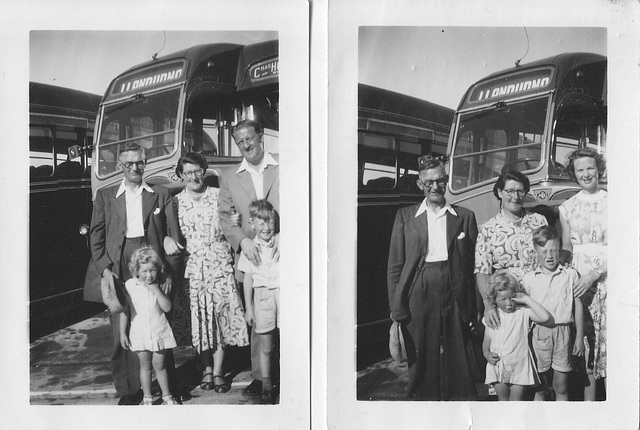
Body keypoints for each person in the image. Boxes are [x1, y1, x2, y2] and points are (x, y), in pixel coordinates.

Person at [84, 142, 182, 405]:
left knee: (159, 320)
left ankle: (168, 387)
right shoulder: (106, 195)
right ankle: (129, 390)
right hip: (120, 261)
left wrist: (169, 272)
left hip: (152, 260)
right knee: (123, 326)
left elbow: (173, 236)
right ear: (120, 166)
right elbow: (96, 235)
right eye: (129, 163)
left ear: (145, 163)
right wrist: (105, 268)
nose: (135, 168)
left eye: (139, 162)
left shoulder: (160, 193)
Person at [387, 155, 479, 401]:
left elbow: (472, 267)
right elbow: (395, 266)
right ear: (420, 185)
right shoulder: (405, 217)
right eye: (429, 183)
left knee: (459, 359)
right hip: (419, 289)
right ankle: (422, 412)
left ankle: (462, 413)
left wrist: (474, 308)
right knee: (421, 359)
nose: (435, 187)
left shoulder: (465, 217)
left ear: (446, 181)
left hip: (454, 289)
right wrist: (396, 308)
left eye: (440, 181)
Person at [173, 152, 249, 393]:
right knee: (201, 319)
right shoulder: (175, 202)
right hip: (194, 268)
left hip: (219, 264)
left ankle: (217, 371)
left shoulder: (219, 196)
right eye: (188, 172)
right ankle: (205, 368)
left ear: (204, 171)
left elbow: (233, 221)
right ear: (181, 175)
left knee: (220, 319)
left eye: (197, 171)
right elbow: (169, 230)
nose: (193, 176)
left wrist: (234, 220)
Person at [219, 119, 279, 398]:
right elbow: (224, 217)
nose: (245, 145)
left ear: (261, 136)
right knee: (258, 319)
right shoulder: (230, 176)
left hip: (283, 255)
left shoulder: (282, 165)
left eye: (249, 138)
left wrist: (284, 241)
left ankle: (293, 371)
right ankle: (261, 375)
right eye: (240, 141)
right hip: (252, 257)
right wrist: (242, 241)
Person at [558, 147, 607, 400]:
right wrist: (563, 268)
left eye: (590, 168)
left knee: (608, 341)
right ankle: (589, 407)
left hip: (608, 279)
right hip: (580, 283)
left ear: (598, 168)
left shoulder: (613, 202)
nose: (586, 174)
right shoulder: (567, 207)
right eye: (580, 170)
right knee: (587, 342)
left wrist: (595, 274)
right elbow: (567, 246)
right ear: (573, 174)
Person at [475, 170, 548, 330]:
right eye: (510, 191)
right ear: (500, 192)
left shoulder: (539, 221)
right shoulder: (489, 229)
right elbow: (483, 271)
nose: (515, 196)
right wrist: (489, 306)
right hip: (509, 304)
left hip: (539, 300)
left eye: (520, 191)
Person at [521, 226, 585, 401]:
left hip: (564, 334)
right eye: (544, 251)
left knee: (561, 387)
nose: (549, 256)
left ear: (559, 250)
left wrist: (579, 337)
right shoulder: (529, 279)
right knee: (540, 388)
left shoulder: (570, 275)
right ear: (536, 251)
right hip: (539, 334)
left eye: (554, 251)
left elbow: (577, 307)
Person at [483, 270, 553, 401]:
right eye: (503, 299)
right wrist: (486, 354)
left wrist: (526, 299)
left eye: (512, 297)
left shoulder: (523, 313)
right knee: (503, 402)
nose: (509, 303)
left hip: (520, 367)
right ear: (494, 299)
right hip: (499, 366)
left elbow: (545, 317)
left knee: (516, 404)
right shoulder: (493, 316)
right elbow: (487, 340)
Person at [120, 247, 178, 405]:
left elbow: (167, 307)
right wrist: (122, 333)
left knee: (159, 365)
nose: (149, 275)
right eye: (144, 271)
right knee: (145, 366)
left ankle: (167, 396)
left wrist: (156, 290)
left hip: (159, 331)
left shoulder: (160, 284)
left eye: (152, 270)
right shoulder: (130, 286)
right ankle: (147, 398)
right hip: (140, 332)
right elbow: (124, 311)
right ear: (136, 271)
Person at [237, 199, 280, 404]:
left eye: (270, 222)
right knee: (266, 346)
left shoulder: (282, 241)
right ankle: (266, 385)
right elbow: (247, 279)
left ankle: (291, 381)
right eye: (261, 223)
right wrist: (249, 309)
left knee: (288, 342)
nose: (267, 227)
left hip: (283, 295)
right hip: (262, 298)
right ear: (252, 224)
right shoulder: (250, 248)